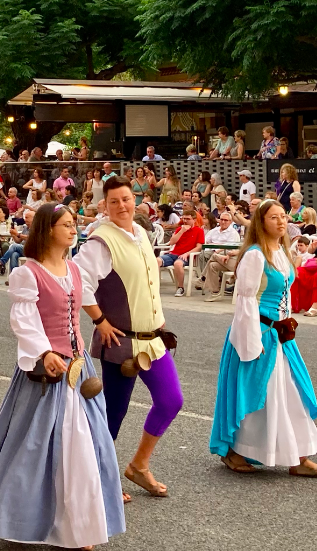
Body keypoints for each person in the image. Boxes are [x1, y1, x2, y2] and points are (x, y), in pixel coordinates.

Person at [0, 203, 125, 548]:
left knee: (87, 445)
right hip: (47, 371)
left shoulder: (75, 269)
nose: (73, 230)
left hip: (80, 368)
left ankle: (81, 527)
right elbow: (24, 320)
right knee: (37, 447)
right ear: (48, 229)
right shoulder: (28, 273)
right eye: (66, 225)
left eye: (74, 224)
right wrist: (43, 352)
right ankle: (24, 520)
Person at [74, 176, 183, 500]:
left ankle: (139, 465)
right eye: (114, 201)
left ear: (134, 200)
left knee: (171, 401)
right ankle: (96, 479)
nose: (122, 206)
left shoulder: (140, 233)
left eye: (126, 199)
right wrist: (100, 321)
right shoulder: (99, 241)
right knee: (113, 413)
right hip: (120, 342)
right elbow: (80, 282)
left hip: (153, 340)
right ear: (104, 206)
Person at [210, 199, 317, 476]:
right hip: (259, 333)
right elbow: (245, 300)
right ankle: (239, 451)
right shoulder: (255, 255)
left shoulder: (282, 252)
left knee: (290, 392)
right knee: (260, 393)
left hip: (280, 334)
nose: (281, 221)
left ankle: (298, 457)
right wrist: (252, 341)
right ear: (262, 222)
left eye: (283, 216)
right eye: (274, 217)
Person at [160, 210, 204, 297]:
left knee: (178, 264)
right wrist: (181, 231)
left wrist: (186, 254)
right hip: (173, 253)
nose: (185, 221)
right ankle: (155, 286)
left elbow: (198, 247)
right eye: (183, 218)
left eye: (188, 219)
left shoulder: (199, 231)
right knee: (156, 261)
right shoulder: (180, 229)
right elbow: (172, 242)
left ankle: (180, 287)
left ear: (194, 220)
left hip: (187, 256)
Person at [203, 212, 242, 301]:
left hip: (237, 263)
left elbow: (239, 250)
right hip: (226, 258)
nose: (223, 222)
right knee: (212, 265)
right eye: (222, 219)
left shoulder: (234, 233)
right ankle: (215, 292)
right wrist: (229, 254)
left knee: (214, 256)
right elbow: (206, 241)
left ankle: (202, 277)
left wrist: (229, 254)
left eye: (226, 220)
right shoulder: (215, 230)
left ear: (230, 222)